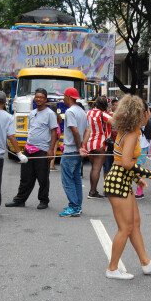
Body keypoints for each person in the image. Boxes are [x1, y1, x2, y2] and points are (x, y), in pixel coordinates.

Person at [103, 94, 151, 280]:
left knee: (134, 224)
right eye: (147, 111)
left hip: (121, 180)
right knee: (126, 227)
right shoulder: (131, 134)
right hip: (118, 182)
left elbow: (124, 161)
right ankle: (112, 268)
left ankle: (145, 263)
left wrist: (137, 178)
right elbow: (126, 162)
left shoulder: (129, 131)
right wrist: (150, 174)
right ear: (142, 113)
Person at [5, 88, 56, 209]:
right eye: (37, 97)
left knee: (42, 177)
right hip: (29, 149)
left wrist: (51, 150)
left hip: (42, 150)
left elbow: (54, 132)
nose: (38, 99)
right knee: (25, 177)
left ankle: (44, 200)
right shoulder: (32, 113)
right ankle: (20, 200)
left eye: (41, 97)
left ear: (45, 99)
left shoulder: (50, 114)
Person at [59, 87, 88, 217]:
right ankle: (77, 205)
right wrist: (83, 145)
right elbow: (87, 130)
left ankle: (74, 206)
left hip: (71, 150)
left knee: (67, 180)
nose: (63, 99)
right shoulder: (81, 111)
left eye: (64, 96)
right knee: (76, 178)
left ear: (69, 97)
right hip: (77, 151)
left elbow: (75, 130)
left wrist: (78, 146)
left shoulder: (70, 112)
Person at [83, 96, 113, 199]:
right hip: (100, 144)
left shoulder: (87, 113)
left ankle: (93, 190)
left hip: (88, 144)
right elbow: (115, 123)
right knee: (97, 169)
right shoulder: (103, 114)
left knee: (93, 168)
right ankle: (92, 191)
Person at [49, 103, 63, 171]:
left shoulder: (48, 115)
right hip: (57, 132)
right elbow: (60, 121)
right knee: (54, 149)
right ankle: (51, 165)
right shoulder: (57, 115)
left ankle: (47, 164)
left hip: (49, 132)